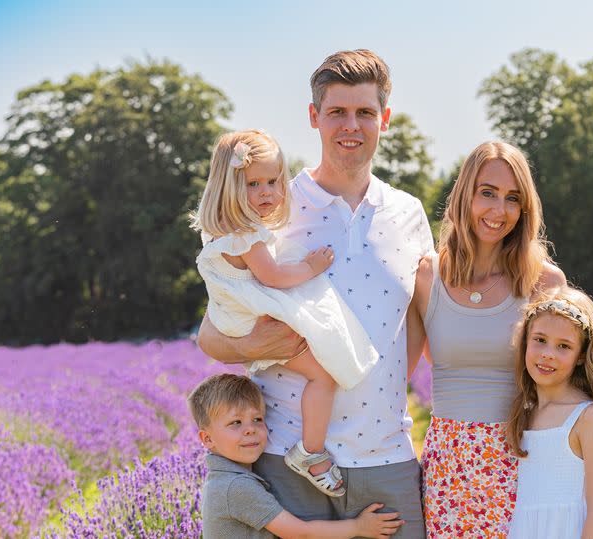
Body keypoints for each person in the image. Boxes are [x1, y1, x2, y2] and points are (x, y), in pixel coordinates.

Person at [197, 49, 433, 537]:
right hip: (286, 456)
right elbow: (212, 336)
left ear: (384, 118)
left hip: (383, 452)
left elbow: (417, 323)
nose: (352, 125)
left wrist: (371, 385)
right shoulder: (268, 204)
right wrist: (256, 347)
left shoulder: (408, 213)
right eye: (337, 112)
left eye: (365, 112)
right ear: (314, 117)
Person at [191, 129, 380, 496]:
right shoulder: (246, 234)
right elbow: (274, 276)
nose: (267, 192)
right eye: (253, 184)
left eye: (274, 181)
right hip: (252, 322)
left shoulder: (223, 233)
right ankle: (309, 452)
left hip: (237, 316)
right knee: (324, 375)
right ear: (229, 189)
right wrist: (312, 266)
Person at [407, 141, 565, 538]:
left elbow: (568, 386)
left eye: (513, 198)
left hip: (523, 458)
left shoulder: (544, 282)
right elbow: (397, 380)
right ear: (465, 195)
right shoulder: (427, 277)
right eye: (488, 193)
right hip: (448, 465)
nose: (499, 211)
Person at [188, 373, 404, 538]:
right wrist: (358, 527)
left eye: (257, 419)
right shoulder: (235, 487)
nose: (250, 429)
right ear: (207, 439)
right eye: (236, 422)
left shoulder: (227, 479)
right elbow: (300, 533)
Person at [505, 288, 593, 538]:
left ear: (580, 356)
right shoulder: (524, 412)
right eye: (540, 340)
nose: (548, 354)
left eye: (564, 346)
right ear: (525, 341)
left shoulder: (586, 418)